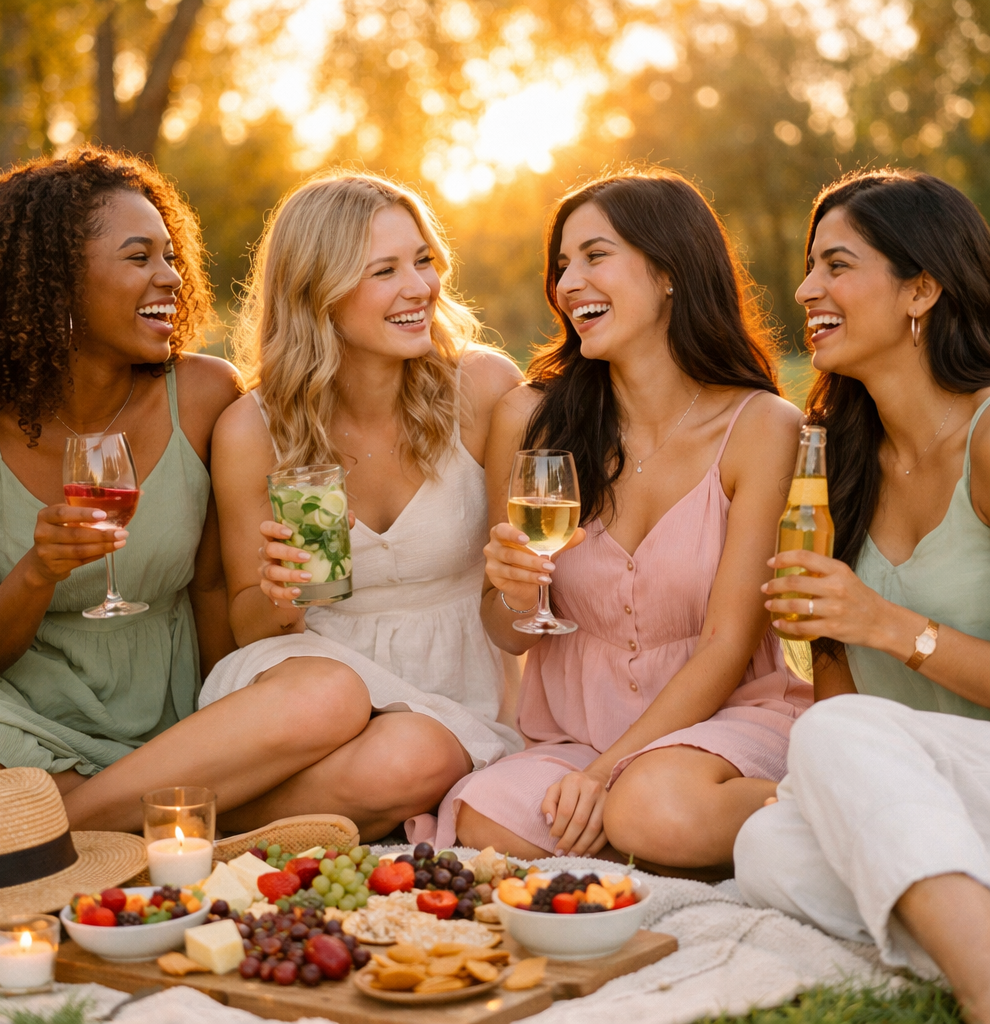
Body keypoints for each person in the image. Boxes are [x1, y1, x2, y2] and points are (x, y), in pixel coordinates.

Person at [424, 171, 811, 875]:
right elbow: (509, 631)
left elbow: (728, 644)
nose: (569, 282)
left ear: (668, 271)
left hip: (725, 720)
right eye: (562, 265)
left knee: (651, 806)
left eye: (595, 256)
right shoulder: (530, 419)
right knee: (484, 816)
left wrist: (607, 776)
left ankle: (821, 811)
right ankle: (666, 841)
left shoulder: (760, 427)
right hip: (575, 733)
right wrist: (514, 590)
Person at [197, 171, 524, 842]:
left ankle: (172, 826)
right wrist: (281, 590)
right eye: (385, 270)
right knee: (327, 695)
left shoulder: (483, 388)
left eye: (424, 260)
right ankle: (67, 822)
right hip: (310, 680)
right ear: (320, 290)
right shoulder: (253, 429)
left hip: (454, 689)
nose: (420, 287)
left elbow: (514, 598)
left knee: (414, 757)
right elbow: (252, 625)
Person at [736, 169, 990, 1021]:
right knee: (766, 844)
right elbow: (836, 692)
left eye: (836, 265)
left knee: (837, 744)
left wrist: (887, 622)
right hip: (932, 792)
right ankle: (959, 907)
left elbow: (860, 686)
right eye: (809, 267)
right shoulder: (838, 462)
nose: (807, 289)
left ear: (922, 289)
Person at [0, 147, 240, 823]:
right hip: (15, 727)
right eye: (140, 257)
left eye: (172, 257)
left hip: (171, 727)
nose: (172, 277)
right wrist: (38, 572)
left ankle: (58, 820)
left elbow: (212, 591)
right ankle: (144, 822)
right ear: (55, 281)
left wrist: (230, 725)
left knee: (330, 705)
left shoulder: (206, 397)